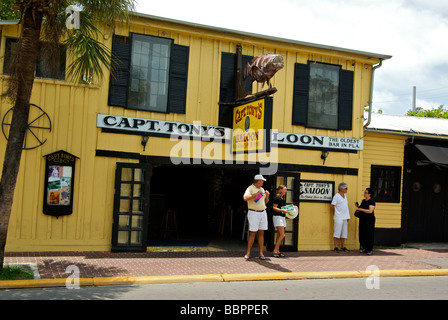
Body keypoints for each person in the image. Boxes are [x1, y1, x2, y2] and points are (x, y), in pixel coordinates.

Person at [243, 174, 270, 260]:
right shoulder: (250, 188)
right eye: (262, 181)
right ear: (258, 181)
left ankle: (261, 253)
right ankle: (248, 252)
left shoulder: (261, 189)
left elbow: (263, 202)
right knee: (253, 233)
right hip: (253, 212)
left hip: (262, 212)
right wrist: (255, 194)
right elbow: (245, 198)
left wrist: (267, 196)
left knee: (261, 233)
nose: (263, 182)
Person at [330, 182, 351, 253]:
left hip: (345, 216)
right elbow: (332, 206)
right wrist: (336, 212)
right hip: (339, 216)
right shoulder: (336, 196)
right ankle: (335, 246)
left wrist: (348, 216)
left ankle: (342, 246)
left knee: (344, 232)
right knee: (337, 231)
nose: (347, 189)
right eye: (346, 188)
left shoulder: (345, 196)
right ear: (341, 188)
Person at [355, 188, 376, 255]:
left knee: (369, 234)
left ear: (369, 194)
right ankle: (364, 247)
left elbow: (370, 211)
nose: (364, 194)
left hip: (369, 220)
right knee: (362, 233)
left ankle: (369, 249)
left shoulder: (371, 202)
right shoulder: (363, 201)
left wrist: (361, 209)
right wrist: (358, 206)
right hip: (363, 219)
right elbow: (360, 208)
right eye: (364, 192)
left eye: (366, 192)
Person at [272, 185, 288, 258]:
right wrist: (282, 210)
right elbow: (274, 208)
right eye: (285, 189)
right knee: (282, 235)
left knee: (279, 235)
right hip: (277, 217)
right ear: (280, 190)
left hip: (282, 217)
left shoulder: (283, 198)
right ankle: (275, 250)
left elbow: (282, 208)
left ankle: (277, 251)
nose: (286, 191)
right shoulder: (277, 198)